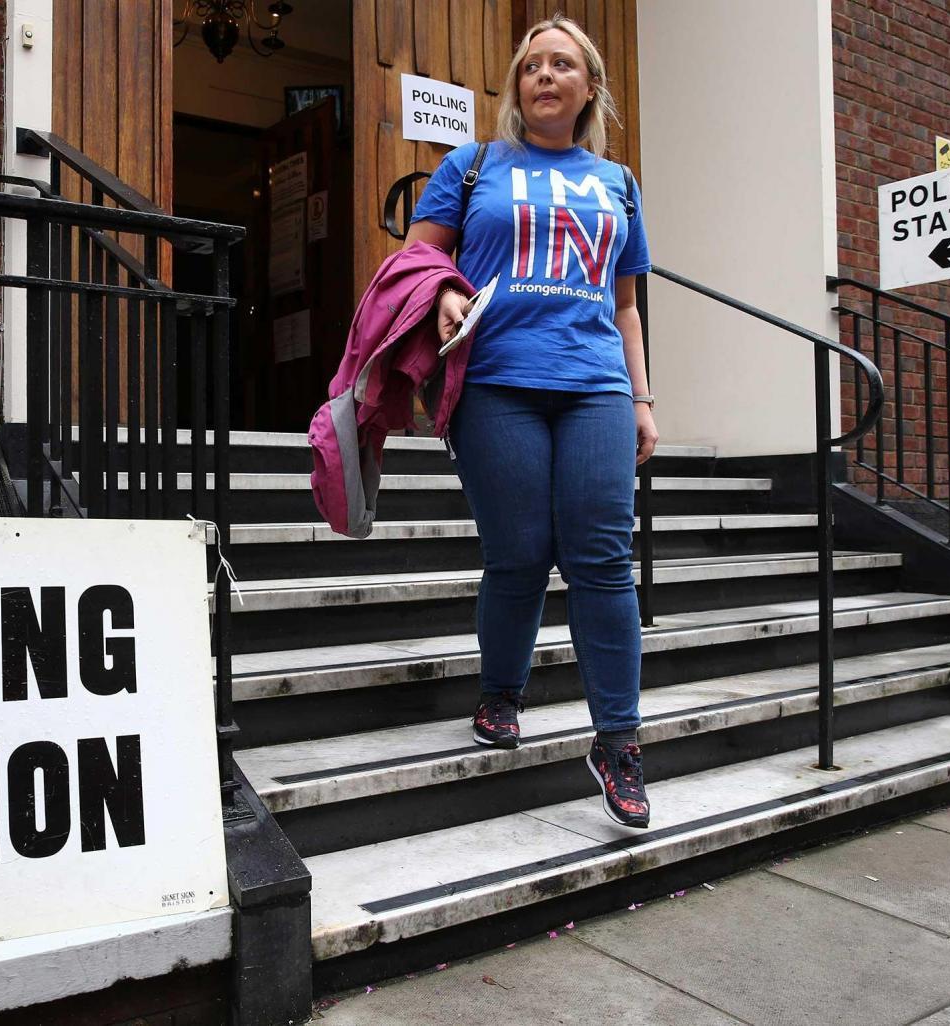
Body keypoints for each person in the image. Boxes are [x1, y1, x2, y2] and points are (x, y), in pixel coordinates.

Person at [405, 15, 656, 828]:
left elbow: (625, 303)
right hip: (497, 383)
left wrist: (642, 398)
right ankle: (499, 694)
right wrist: (443, 290)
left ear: (588, 87)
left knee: (604, 559)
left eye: (563, 64)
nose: (545, 75)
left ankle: (618, 742)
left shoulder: (617, 182)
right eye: (532, 66)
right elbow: (417, 259)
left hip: (595, 387)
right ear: (518, 86)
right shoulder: (471, 166)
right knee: (518, 553)